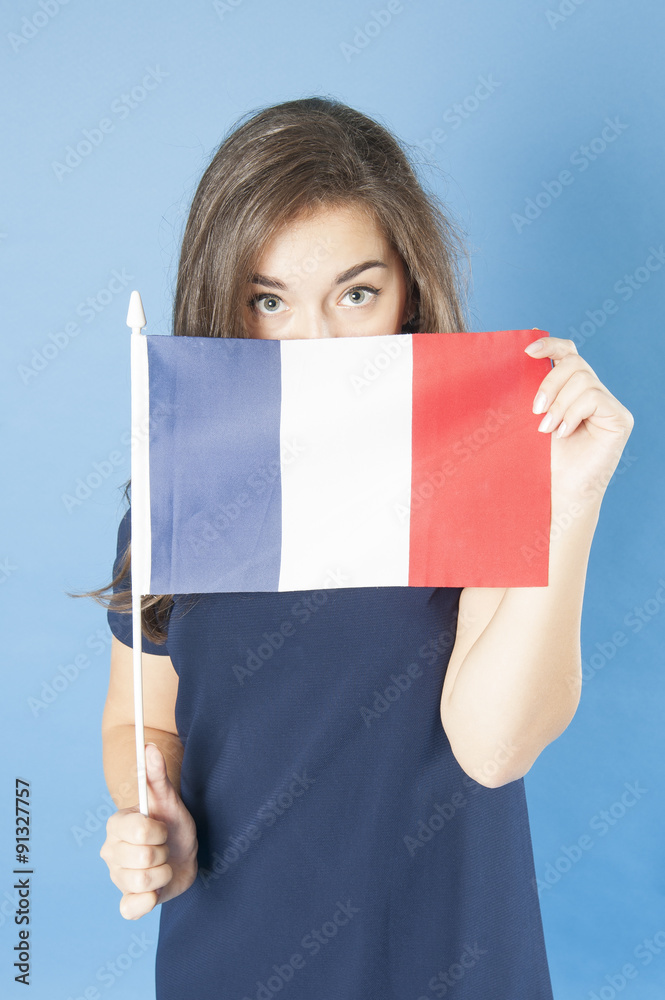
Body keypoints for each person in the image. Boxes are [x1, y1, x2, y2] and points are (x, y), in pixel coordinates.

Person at [87, 96, 633, 999]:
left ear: (407, 291)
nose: (315, 343)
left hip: (447, 961)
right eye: (269, 301)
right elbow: (139, 721)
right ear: (224, 301)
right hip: (230, 964)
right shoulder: (179, 494)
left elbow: (493, 750)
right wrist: (155, 814)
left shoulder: (473, 470)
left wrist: (568, 499)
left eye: (355, 294)